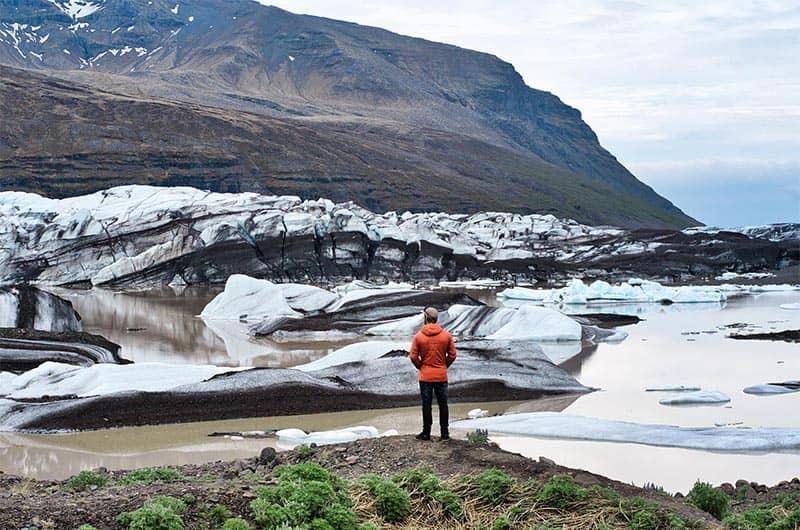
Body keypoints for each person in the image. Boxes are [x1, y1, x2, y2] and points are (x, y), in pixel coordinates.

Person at [409, 306, 456, 441]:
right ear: (436, 319)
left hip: (425, 376)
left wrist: (421, 367)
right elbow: (452, 354)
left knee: (426, 404)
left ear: (425, 318)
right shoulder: (446, 335)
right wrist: (444, 365)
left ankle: (426, 432)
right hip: (441, 375)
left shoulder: (418, 337)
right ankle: (445, 433)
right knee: (443, 405)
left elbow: (413, 356)